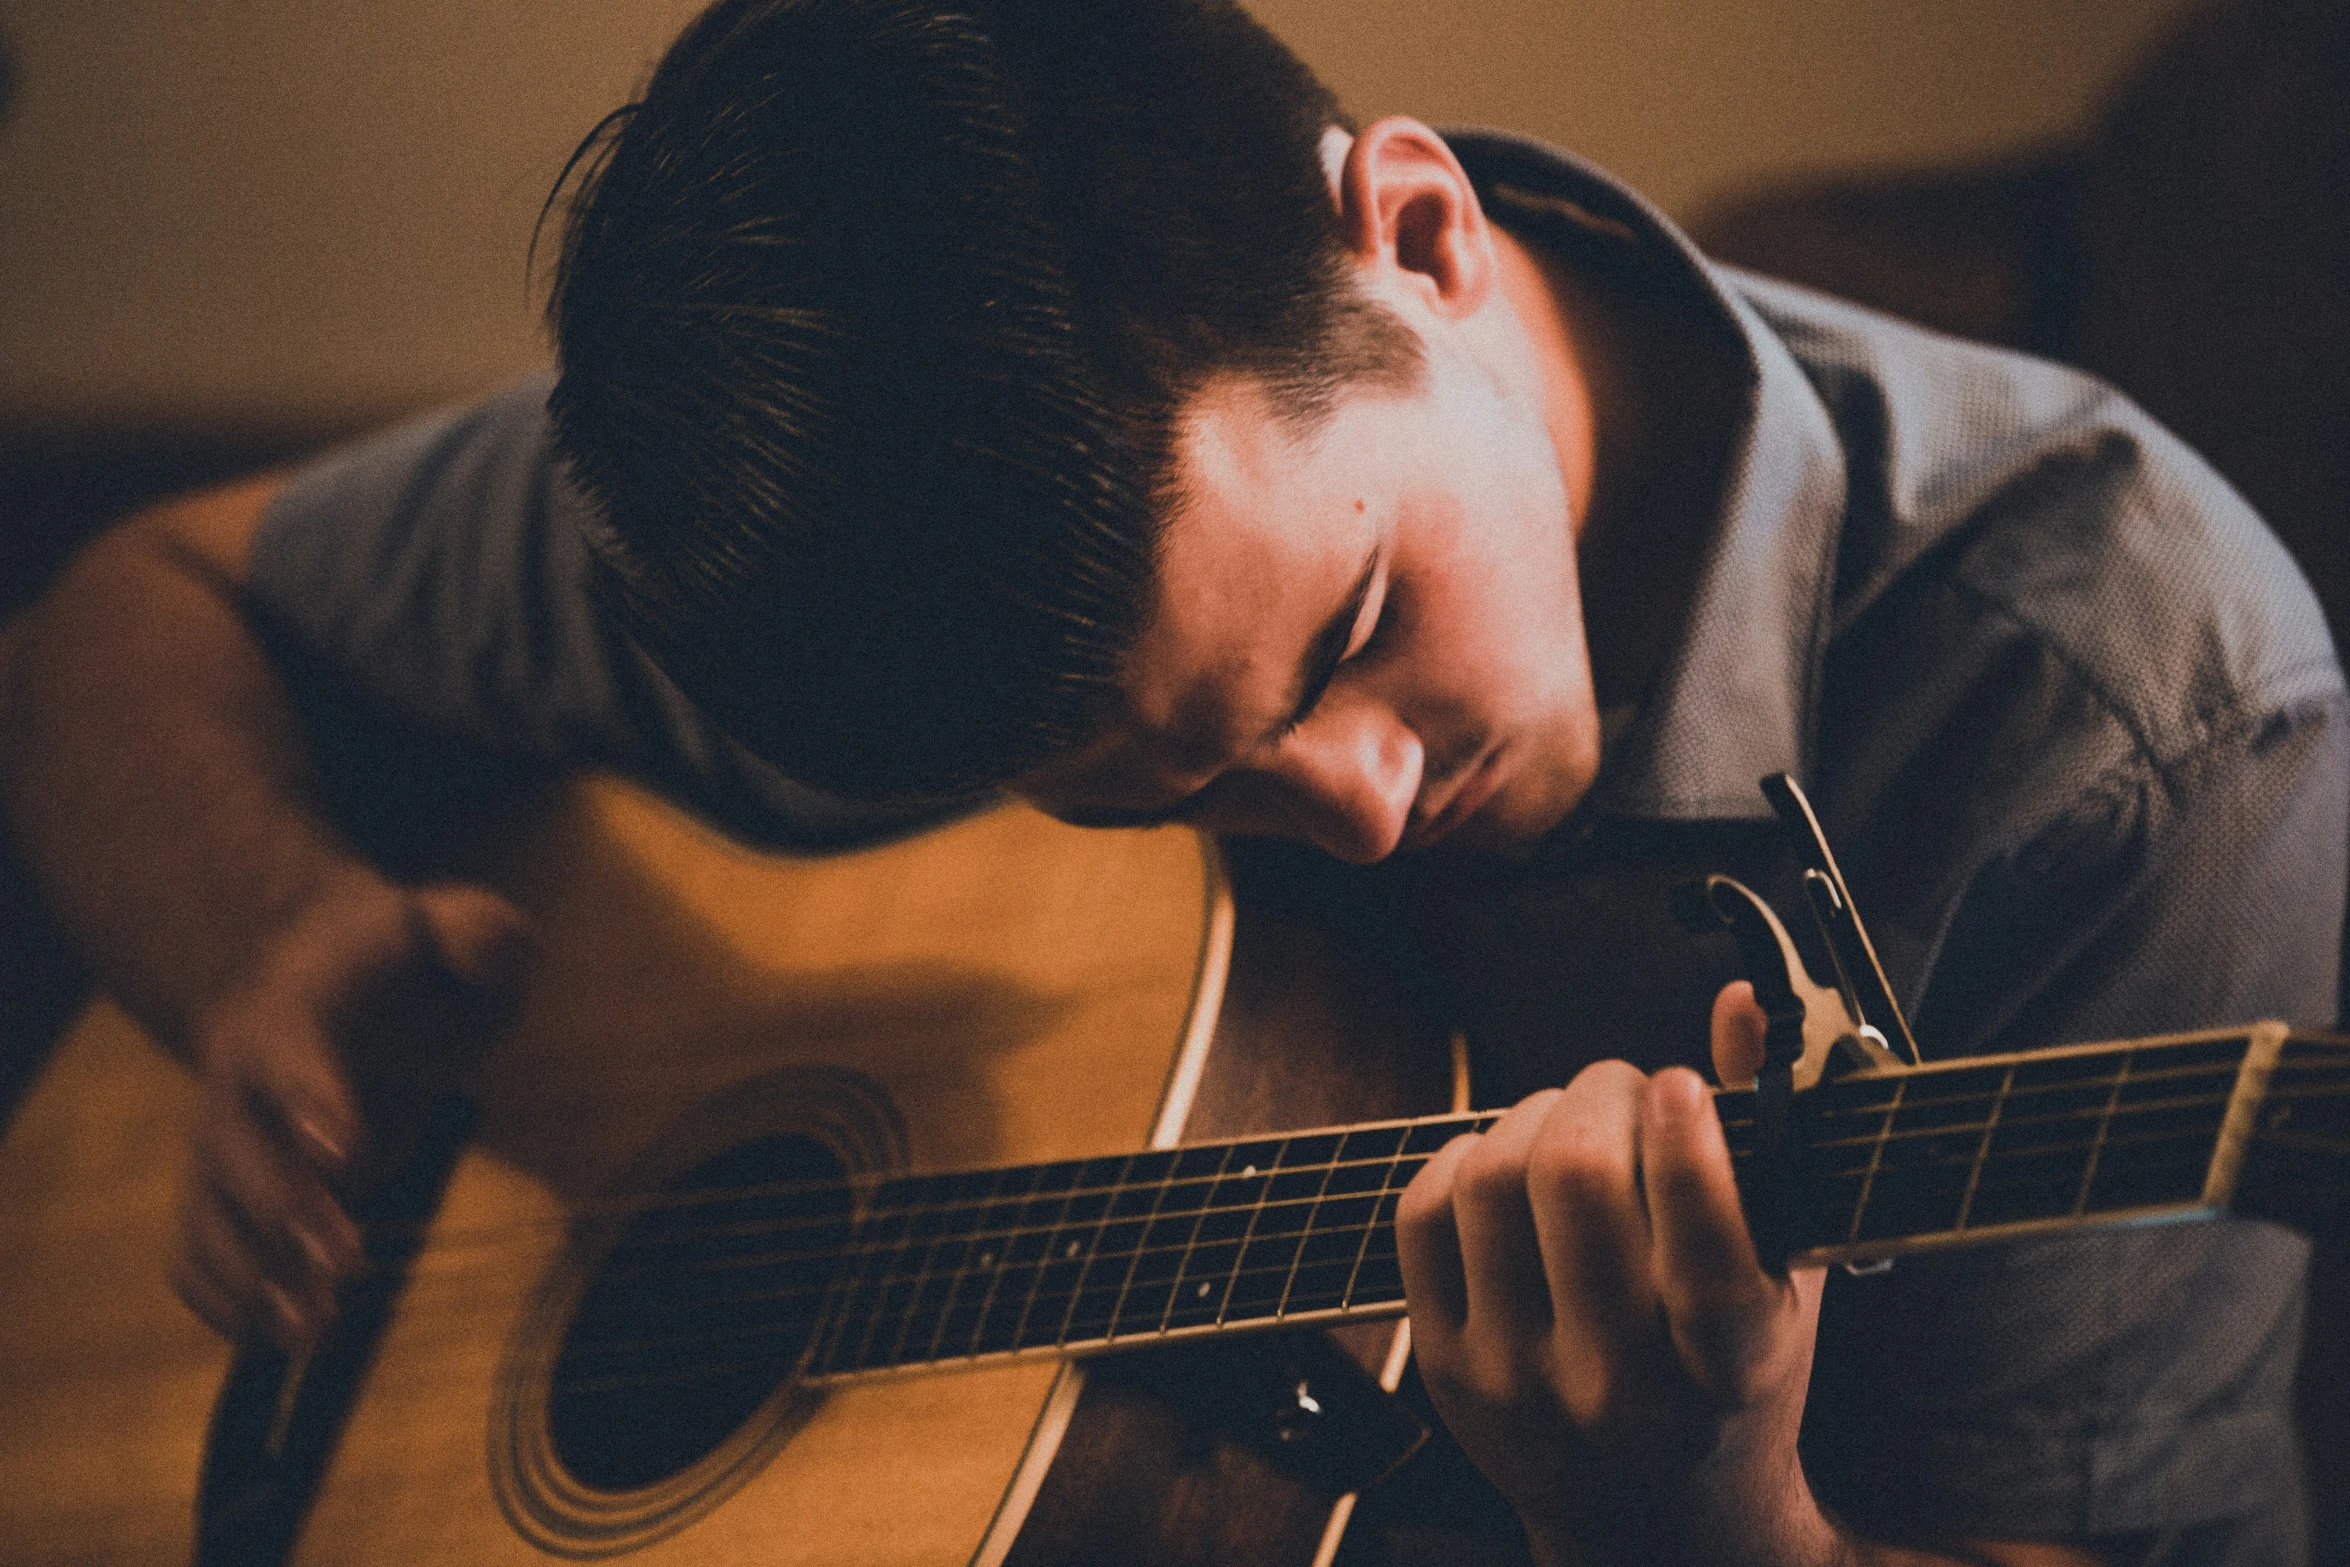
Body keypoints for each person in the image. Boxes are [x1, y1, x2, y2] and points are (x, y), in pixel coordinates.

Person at [0, 1, 2340, 1563]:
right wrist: (265, 951)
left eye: (1345, 630)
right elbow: (127, 621)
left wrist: (1708, 1524)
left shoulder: (2121, 722)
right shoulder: (867, 554)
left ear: (1414, 238)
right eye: (1145, 795)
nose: (1347, 802)